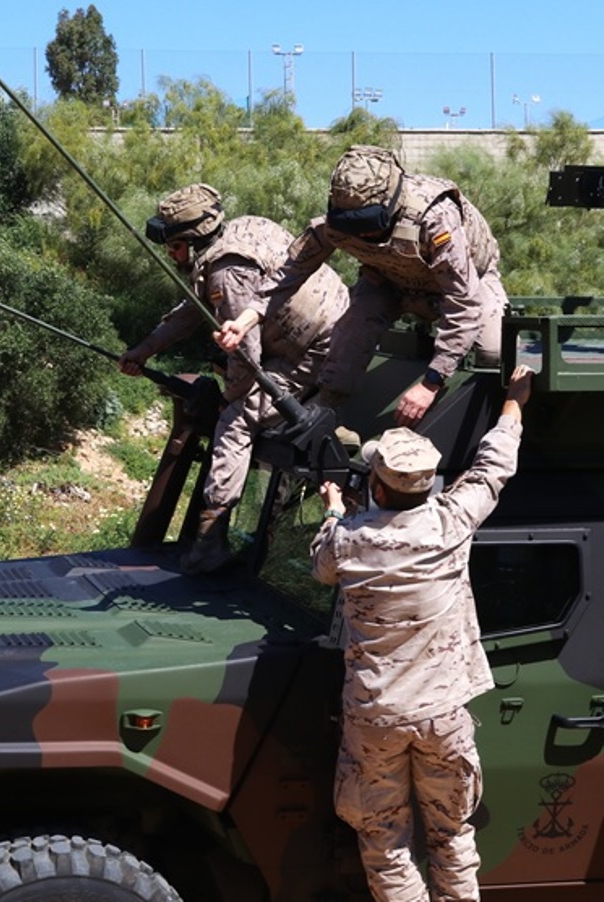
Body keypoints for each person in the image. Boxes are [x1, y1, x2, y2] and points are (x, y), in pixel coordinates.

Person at [311, 364, 534, 901]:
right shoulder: (451, 523)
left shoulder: (347, 541)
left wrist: (335, 511)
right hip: (441, 712)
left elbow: (322, 567)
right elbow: (494, 466)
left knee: (384, 841)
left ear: (377, 487)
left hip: (377, 716)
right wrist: (515, 400)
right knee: (452, 834)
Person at [120, 182, 349, 571]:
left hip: (322, 347)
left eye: (174, 246)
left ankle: (210, 538)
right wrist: (144, 350)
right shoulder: (238, 231)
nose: (171, 254)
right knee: (240, 403)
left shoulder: (229, 273)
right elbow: (193, 310)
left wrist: (230, 398)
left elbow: (247, 356)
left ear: (194, 240)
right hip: (312, 330)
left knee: (238, 419)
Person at [216, 145, 507, 428]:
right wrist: (246, 320)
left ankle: (492, 425)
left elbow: (463, 301)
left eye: (369, 222)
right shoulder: (339, 220)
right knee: (351, 327)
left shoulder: (434, 219)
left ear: (391, 205)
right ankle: (328, 411)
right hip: (389, 279)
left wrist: (431, 383)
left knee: (493, 353)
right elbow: (291, 271)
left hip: (469, 279)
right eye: (352, 224)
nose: (362, 233)